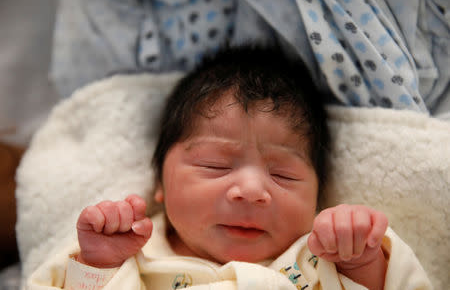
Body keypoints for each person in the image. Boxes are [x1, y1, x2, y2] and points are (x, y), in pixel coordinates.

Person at [26, 46, 432, 290]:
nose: (252, 190)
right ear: (160, 185)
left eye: (284, 175)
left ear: (318, 196)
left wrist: (364, 266)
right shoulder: (128, 256)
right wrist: (98, 269)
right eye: (215, 165)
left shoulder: (323, 258)